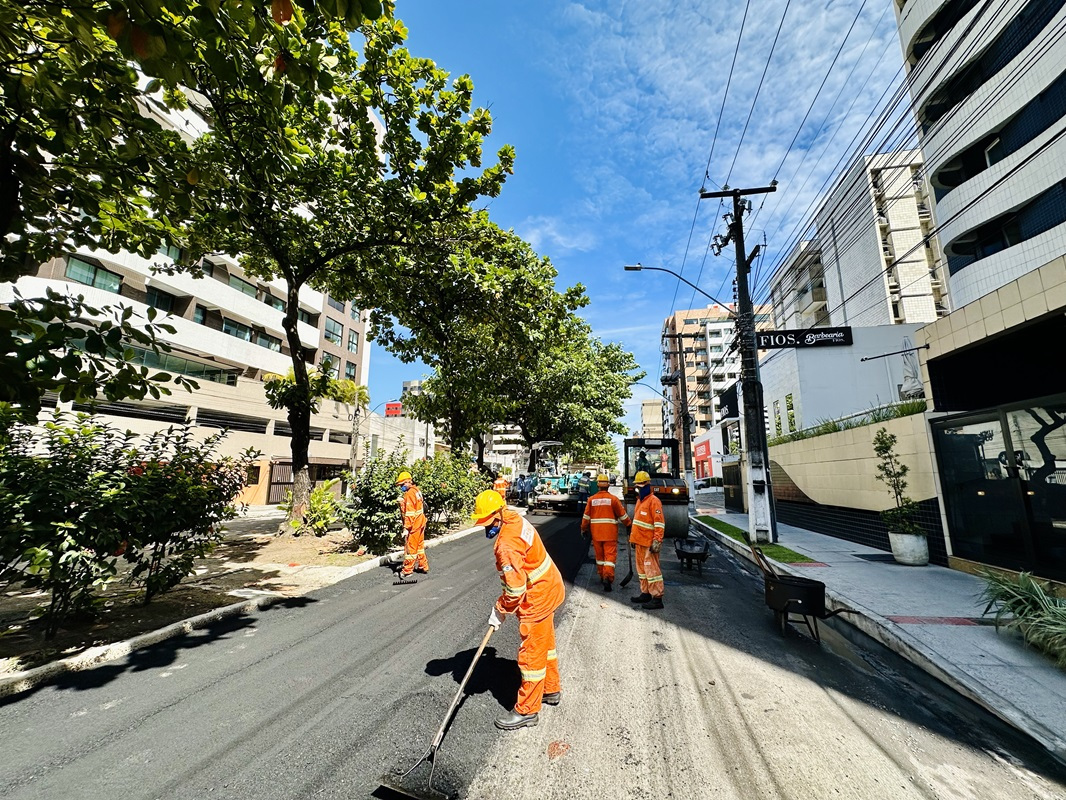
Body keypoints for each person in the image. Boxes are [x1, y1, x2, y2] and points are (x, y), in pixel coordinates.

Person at [473, 490, 565, 731]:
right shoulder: (514, 518)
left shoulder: (506, 545)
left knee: (531, 656)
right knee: (546, 645)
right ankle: (551, 689)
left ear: (497, 516)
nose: (486, 528)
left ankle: (527, 711)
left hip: (537, 597)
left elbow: (514, 591)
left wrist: (500, 609)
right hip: (550, 585)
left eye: (487, 522)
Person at [580, 474, 630, 591]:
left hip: (596, 534)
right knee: (609, 557)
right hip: (610, 534)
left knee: (600, 557)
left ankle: (602, 576)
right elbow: (623, 515)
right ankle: (608, 577)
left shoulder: (591, 500)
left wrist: (584, 529)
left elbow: (586, 517)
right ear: (608, 485)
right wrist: (629, 524)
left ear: (597, 485)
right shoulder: (613, 499)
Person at [628, 470, 665, 610]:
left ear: (646, 484)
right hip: (639, 542)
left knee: (652, 571)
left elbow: (659, 523)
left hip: (649, 544)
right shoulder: (640, 501)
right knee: (642, 570)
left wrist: (657, 541)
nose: (638, 487)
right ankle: (646, 593)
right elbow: (637, 522)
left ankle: (657, 598)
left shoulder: (654, 501)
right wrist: (633, 538)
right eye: (637, 485)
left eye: (639, 485)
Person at [396, 470, 428, 579]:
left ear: (408, 481)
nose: (401, 487)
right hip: (421, 521)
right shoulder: (416, 490)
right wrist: (402, 502)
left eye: (402, 484)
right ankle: (423, 565)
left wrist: (406, 528)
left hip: (414, 525)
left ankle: (407, 570)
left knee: (410, 548)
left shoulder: (409, 494)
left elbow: (409, 513)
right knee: (419, 546)